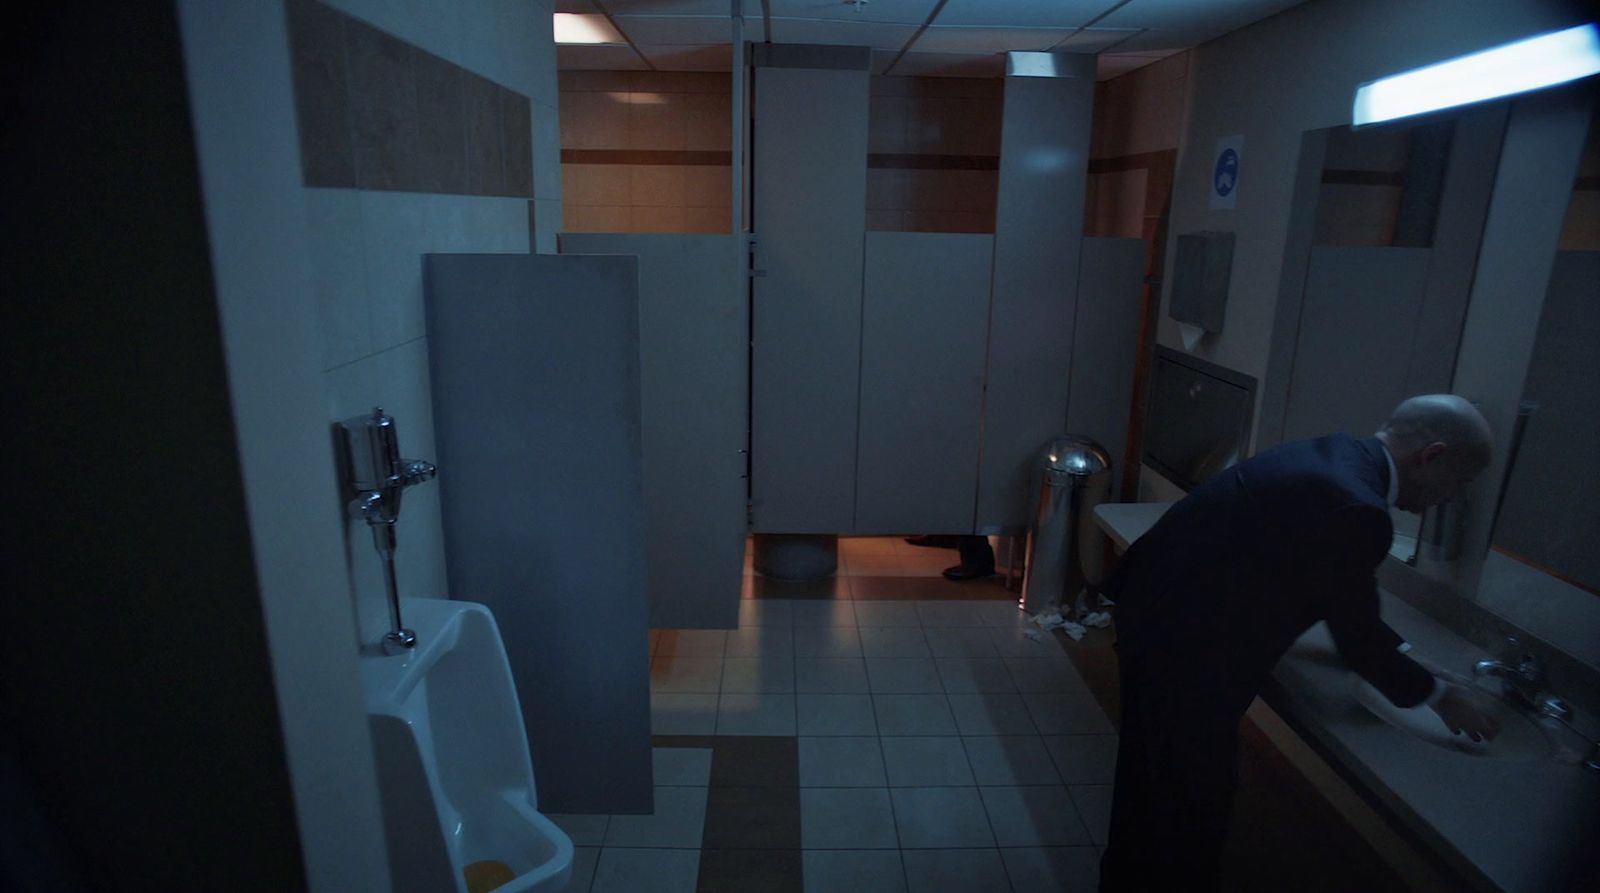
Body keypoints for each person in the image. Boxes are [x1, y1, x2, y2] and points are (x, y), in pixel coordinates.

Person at [1097, 394, 1500, 892]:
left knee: (1149, 790)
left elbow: (1340, 597)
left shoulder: (1337, 456)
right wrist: (1441, 696)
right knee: (1188, 810)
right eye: (1459, 482)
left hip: (1159, 612)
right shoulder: (1358, 505)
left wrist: (1412, 658)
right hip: (1185, 651)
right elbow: (1356, 635)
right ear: (1431, 456)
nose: (1451, 497)